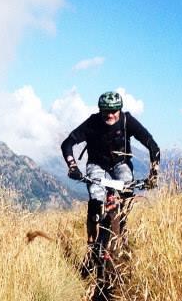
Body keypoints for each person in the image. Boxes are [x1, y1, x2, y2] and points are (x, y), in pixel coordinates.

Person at [61, 90, 160, 258]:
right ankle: (92, 244)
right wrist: (72, 166)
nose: (110, 115)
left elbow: (152, 145)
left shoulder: (127, 120)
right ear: (100, 110)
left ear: (120, 109)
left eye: (114, 111)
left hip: (120, 163)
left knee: (126, 190)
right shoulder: (92, 122)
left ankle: (121, 231)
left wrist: (153, 174)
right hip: (96, 164)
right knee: (95, 204)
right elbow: (67, 144)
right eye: (106, 111)